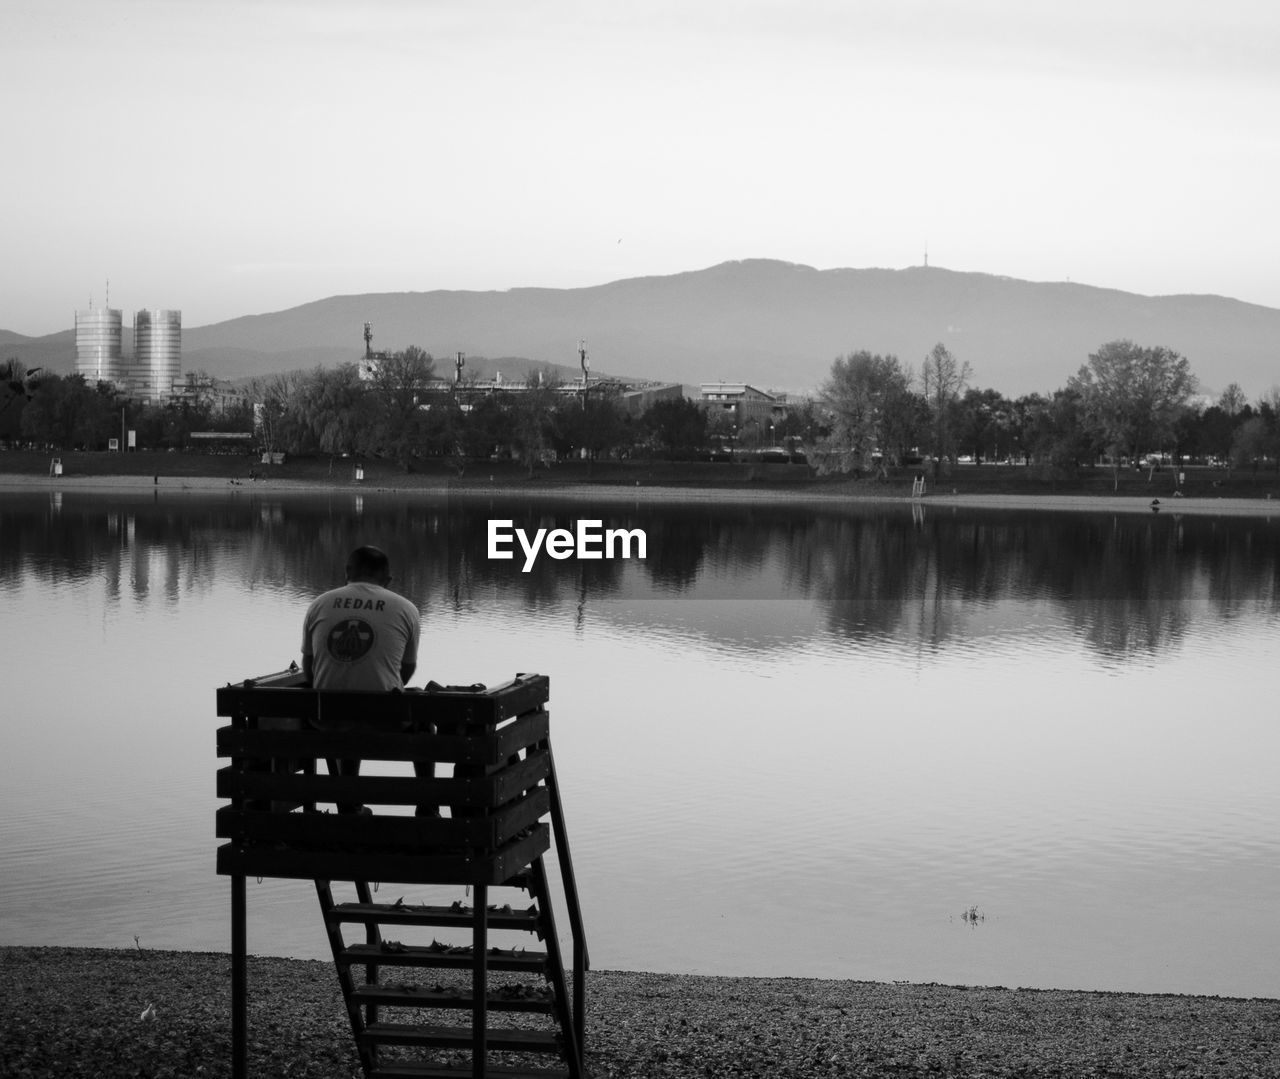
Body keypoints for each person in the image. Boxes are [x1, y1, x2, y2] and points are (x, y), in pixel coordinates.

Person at [301, 545, 429, 812]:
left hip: (327, 719)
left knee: (344, 712)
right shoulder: (405, 608)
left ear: (347, 572)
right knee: (424, 719)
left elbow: (309, 667)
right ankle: (427, 807)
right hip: (384, 722)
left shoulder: (319, 604)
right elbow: (405, 670)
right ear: (388, 579)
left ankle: (349, 805)